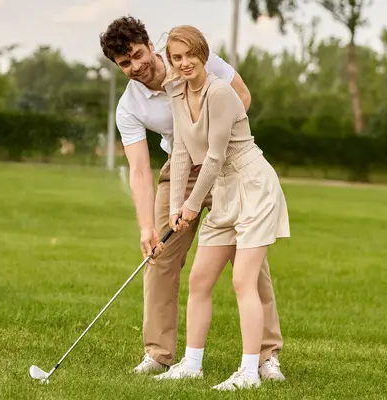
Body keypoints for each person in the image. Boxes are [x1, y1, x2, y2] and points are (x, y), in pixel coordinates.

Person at [99, 16, 286, 381]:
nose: (136, 66)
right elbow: (139, 170)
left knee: (248, 262)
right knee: (160, 255)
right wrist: (146, 226)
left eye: (138, 55)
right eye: (125, 64)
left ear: (149, 44)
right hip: (181, 167)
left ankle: (266, 356)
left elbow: (242, 96)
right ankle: (159, 353)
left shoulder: (188, 57)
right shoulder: (129, 107)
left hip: (227, 162)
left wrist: (218, 141)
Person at [152, 25, 290, 391]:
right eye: (176, 58)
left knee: (243, 280)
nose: (183, 64)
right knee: (199, 280)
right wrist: (176, 204)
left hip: (252, 186)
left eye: (189, 55)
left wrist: (194, 205)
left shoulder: (221, 93)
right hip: (224, 192)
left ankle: (249, 372)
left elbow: (213, 156)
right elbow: (182, 151)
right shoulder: (176, 92)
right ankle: (191, 364)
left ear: (203, 53)